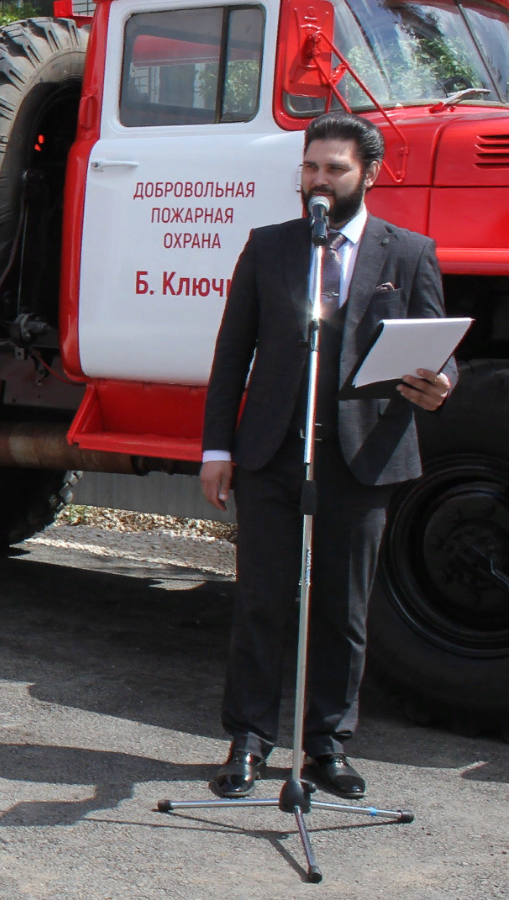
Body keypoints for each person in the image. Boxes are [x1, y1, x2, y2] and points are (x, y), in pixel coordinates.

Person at [200, 112, 456, 801]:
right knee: (261, 601)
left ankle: (326, 747)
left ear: (369, 174)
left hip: (363, 455)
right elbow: (232, 354)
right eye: (310, 166)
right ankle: (249, 740)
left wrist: (442, 383)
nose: (318, 180)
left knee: (342, 609)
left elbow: (438, 349)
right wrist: (217, 447)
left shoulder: (408, 253)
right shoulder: (270, 247)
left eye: (334, 168)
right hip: (272, 453)